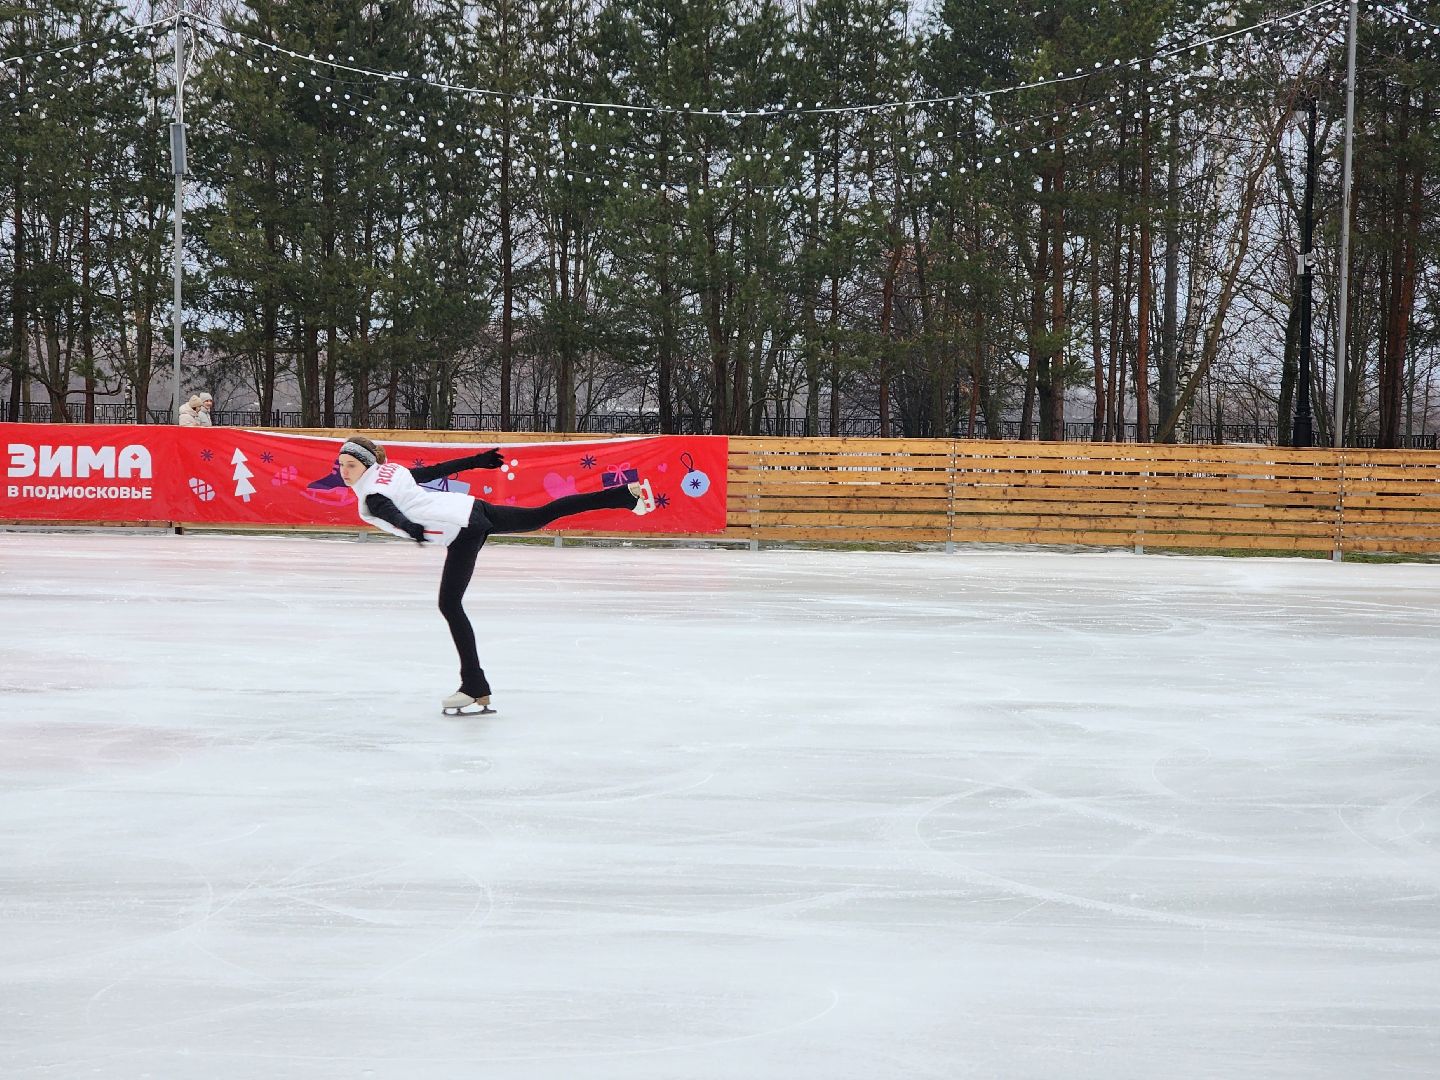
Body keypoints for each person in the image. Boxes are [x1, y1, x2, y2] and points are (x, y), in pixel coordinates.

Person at [335, 435, 655, 716]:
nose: (344, 471)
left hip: (462, 528)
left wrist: (412, 528)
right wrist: (477, 461)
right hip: (471, 508)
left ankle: (474, 684)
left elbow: (390, 512)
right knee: (542, 514)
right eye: (341, 465)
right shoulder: (392, 472)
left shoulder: (372, 496)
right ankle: (625, 496)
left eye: (350, 465)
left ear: (365, 464)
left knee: (450, 605)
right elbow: (433, 472)